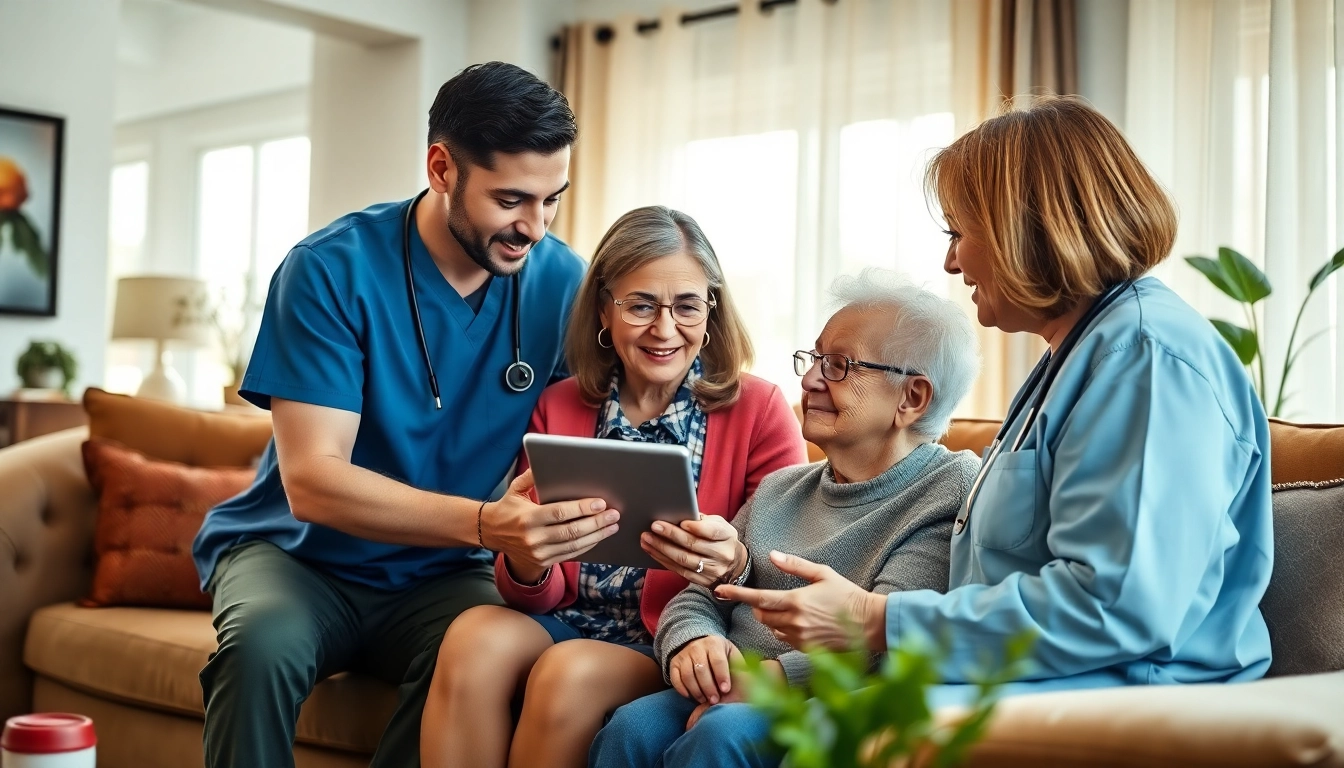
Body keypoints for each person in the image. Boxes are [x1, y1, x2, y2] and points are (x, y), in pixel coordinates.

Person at [721, 96, 1274, 710]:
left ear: (1025, 228)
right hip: (1026, 685)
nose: (951, 262)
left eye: (960, 233)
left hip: (1124, 698)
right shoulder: (1083, 353)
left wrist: (877, 618)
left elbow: (1116, 605)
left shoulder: (1145, 359)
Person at [191, 62, 613, 768]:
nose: (534, 228)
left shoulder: (564, 283)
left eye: (552, 201)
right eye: (511, 199)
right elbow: (313, 482)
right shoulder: (330, 271)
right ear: (441, 167)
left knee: (484, 656)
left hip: (447, 574)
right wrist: (486, 523)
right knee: (259, 649)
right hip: (300, 558)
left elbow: (599, 434)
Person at [420, 205, 807, 768]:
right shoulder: (561, 403)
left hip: (672, 638)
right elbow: (530, 588)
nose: (665, 329)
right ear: (604, 308)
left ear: (712, 311)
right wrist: (528, 558)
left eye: (687, 306)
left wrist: (733, 561)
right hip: (565, 616)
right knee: (473, 635)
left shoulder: (760, 409)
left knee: (569, 671)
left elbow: (785, 568)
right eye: (641, 305)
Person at [588, 271, 983, 768]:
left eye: (840, 366)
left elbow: (885, 636)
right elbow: (700, 594)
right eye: (815, 358)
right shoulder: (782, 488)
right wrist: (693, 641)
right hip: (732, 681)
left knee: (723, 734)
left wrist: (772, 680)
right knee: (630, 727)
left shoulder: (946, 490)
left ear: (912, 398)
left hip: (835, 696)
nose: (810, 379)